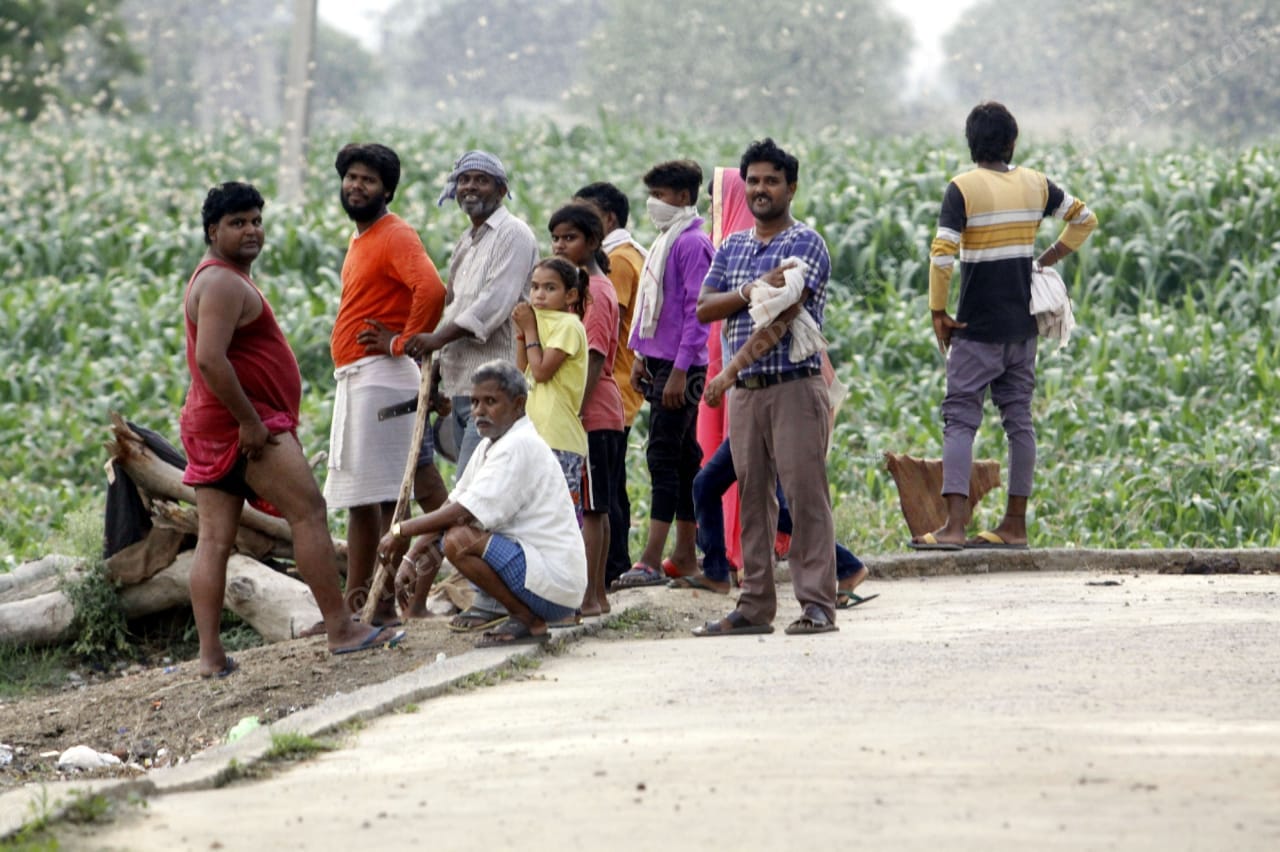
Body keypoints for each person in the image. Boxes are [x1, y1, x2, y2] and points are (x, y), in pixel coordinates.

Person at [180, 182, 403, 677]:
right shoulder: (219, 282)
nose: (252, 230)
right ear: (213, 231)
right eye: (238, 223)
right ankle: (342, 629)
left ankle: (211, 657)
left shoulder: (222, 278)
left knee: (214, 539)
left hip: (218, 424)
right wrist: (250, 423)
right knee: (308, 513)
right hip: (243, 427)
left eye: (257, 220)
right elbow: (211, 361)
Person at [913, 101, 1098, 551]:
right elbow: (1085, 218)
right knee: (1019, 423)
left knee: (960, 420)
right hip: (1023, 329)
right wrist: (1047, 257)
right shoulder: (1036, 184)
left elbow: (942, 252)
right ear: (1012, 143)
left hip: (975, 328)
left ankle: (954, 526)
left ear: (970, 144)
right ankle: (1014, 523)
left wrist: (938, 311)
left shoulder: (962, 188)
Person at [694, 138, 839, 636]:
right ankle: (754, 607)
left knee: (804, 497)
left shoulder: (805, 244)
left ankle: (817, 604)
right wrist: (752, 290)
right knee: (752, 499)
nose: (760, 189)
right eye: (752, 180)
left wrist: (726, 373)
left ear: (791, 188)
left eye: (771, 181)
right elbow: (704, 306)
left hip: (793, 386)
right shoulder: (733, 245)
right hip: (746, 395)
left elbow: (780, 320)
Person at [405, 150, 539, 632]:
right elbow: (454, 303)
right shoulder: (469, 240)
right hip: (463, 385)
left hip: (495, 385)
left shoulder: (514, 235)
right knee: (474, 494)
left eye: (482, 180)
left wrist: (435, 340)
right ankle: (474, 596)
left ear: (502, 189)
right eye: (464, 181)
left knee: (476, 497)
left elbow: (495, 304)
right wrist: (438, 371)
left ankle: (490, 600)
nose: (471, 189)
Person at [377, 361, 587, 648]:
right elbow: (453, 502)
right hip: (547, 580)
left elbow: (462, 513)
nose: (478, 411)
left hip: (554, 585)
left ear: (518, 404)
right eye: (475, 402)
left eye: (490, 402)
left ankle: (526, 619)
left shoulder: (518, 445)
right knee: (455, 535)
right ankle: (521, 615)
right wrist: (411, 557)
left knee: (459, 540)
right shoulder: (494, 444)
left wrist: (401, 530)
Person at [323, 143, 447, 627]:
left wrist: (402, 342)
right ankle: (368, 603)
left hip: (380, 378)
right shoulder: (363, 238)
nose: (356, 186)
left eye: (368, 180)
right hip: (362, 378)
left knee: (373, 500)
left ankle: (370, 604)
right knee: (371, 498)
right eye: (351, 178)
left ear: (387, 190)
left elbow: (432, 289)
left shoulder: (394, 234)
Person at [613, 160, 712, 589]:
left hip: (680, 366)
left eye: (662, 195)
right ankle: (685, 555)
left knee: (663, 456)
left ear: (684, 198)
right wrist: (640, 356)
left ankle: (651, 558)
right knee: (686, 457)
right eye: (651, 194)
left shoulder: (692, 244)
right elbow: (652, 307)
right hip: (659, 361)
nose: (654, 204)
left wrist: (679, 370)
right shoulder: (664, 241)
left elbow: (697, 314)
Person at [550, 203, 625, 617]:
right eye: (556, 238)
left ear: (593, 242)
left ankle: (591, 595)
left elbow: (593, 359)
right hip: (595, 413)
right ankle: (596, 593)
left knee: (593, 508)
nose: (560, 245)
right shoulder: (587, 287)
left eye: (570, 238)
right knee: (596, 506)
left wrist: (573, 411)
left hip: (591, 413)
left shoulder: (594, 292)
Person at [572, 182, 646, 588]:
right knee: (610, 487)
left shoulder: (613, 265)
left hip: (605, 389)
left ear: (606, 221)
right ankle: (613, 567)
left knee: (602, 493)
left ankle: (610, 570)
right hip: (617, 390)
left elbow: (598, 335)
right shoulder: (631, 252)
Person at [512, 256, 589, 522]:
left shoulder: (569, 325)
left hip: (559, 436)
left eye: (549, 288)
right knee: (531, 516)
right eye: (534, 287)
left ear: (570, 295)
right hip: (533, 433)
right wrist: (523, 334)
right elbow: (523, 372)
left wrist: (530, 329)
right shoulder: (535, 320)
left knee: (559, 518)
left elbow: (543, 372)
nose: (539, 294)